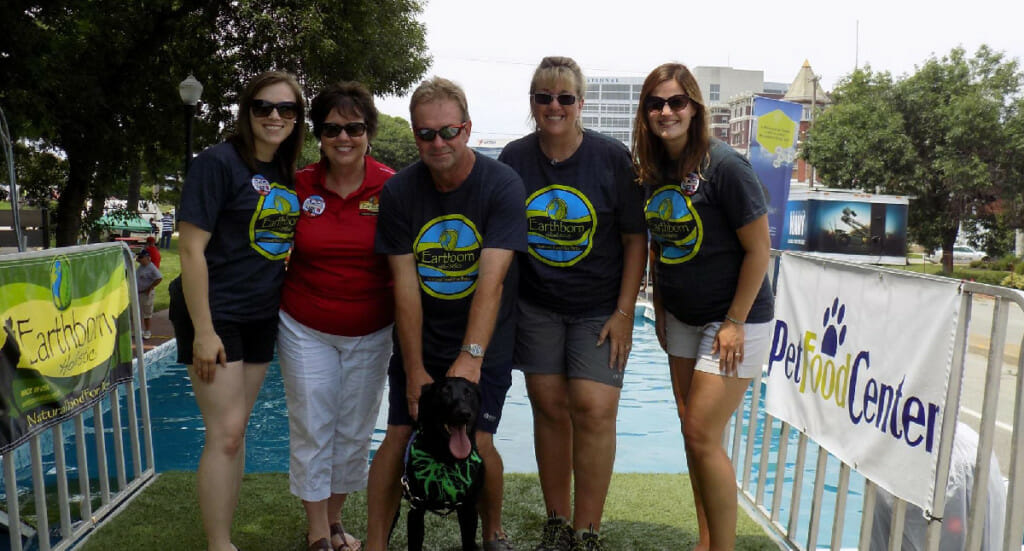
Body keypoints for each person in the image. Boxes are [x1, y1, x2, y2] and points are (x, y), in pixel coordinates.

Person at [367, 76, 527, 551]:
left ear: (467, 129)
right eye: (425, 134)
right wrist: (415, 368)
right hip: (423, 337)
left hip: (485, 339)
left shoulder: (501, 185)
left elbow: (492, 280)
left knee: (478, 440)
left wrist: (472, 356)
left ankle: (492, 533)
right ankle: (376, 543)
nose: (437, 143)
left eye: (447, 131)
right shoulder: (399, 192)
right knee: (398, 434)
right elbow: (406, 287)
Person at [497, 56, 647, 551]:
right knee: (548, 407)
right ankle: (557, 522)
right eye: (544, 97)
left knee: (595, 408)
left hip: (598, 308)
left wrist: (624, 313)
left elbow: (634, 239)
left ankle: (588, 531)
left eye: (565, 97)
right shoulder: (515, 159)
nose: (554, 106)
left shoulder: (610, 158)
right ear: (533, 104)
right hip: (537, 306)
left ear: (580, 103)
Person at [632, 63, 774, 551]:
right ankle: (706, 540)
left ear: (694, 107)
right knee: (692, 430)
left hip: (735, 319)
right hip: (683, 317)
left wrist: (733, 323)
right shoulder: (653, 169)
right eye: (655, 103)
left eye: (676, 102)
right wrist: (663, 308)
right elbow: (660, 244)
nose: (665, 111)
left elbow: (760, 250)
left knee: (699, 430)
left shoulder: (726, 166)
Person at [168, 71, 304, 551]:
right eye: (263, 107)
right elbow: (189, 251)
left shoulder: (285, 171)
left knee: (236, 431)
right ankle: (219, 543)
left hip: (261, 314)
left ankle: (223, 534)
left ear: (296, 118)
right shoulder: (217, 164)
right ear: (247, 112)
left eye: (286, 109)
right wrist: (204, 331)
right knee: (224, 433)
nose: (274, 116)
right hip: (216, 314)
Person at [277, 81, 395, 551]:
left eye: (354, 128)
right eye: (331, 129)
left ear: (369, 132)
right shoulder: (298, 184)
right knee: (312, 422)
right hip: (305, 325)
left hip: (372, 328)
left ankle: (336, 518)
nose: (343, 138)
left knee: (354, 429)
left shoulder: (393, 185)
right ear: (318, 135)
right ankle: (317, 531)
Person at [135, 248, 163, 340]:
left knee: (146, 313)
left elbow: (159, 278)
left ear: (147, 258)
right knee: (137, 312)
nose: (139, 258)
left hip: (146, 294)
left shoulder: (151, 268)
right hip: (138, 293)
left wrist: (150, 287)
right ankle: (139, 330)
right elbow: (135, 259)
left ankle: (147, 331)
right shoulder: (142, 265)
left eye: (141, 257)